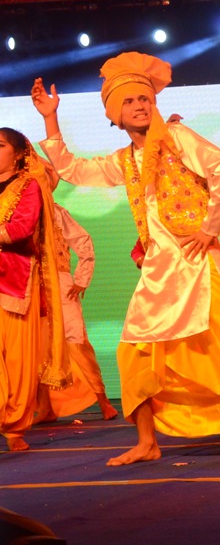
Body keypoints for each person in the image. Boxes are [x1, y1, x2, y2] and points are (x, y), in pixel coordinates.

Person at [31, 53, 220, 465]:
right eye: (129, 101)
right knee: (133, 351)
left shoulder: (177, 137)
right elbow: (72, 169)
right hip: (158, 269)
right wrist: (51, 118)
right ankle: (147, 441)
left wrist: (208, 228)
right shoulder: (125, 160)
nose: (140, 105)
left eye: (144, 98)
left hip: (198, 263)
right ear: (115, 115)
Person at [0, 128, 71, 451]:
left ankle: (14, 426)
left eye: (0, 145)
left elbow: (21, 228)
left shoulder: (29, 186)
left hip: (14, 281)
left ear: (18, 154)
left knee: (17, 360)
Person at [34, 163, 119, 422]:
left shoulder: (57, 212)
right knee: (36, 346)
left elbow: (83, 241)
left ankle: (103, 401)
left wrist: (81, 279)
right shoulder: (12, 213)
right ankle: (45, 407)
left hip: (60, 285)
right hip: (28, 285)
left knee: (75, 339)